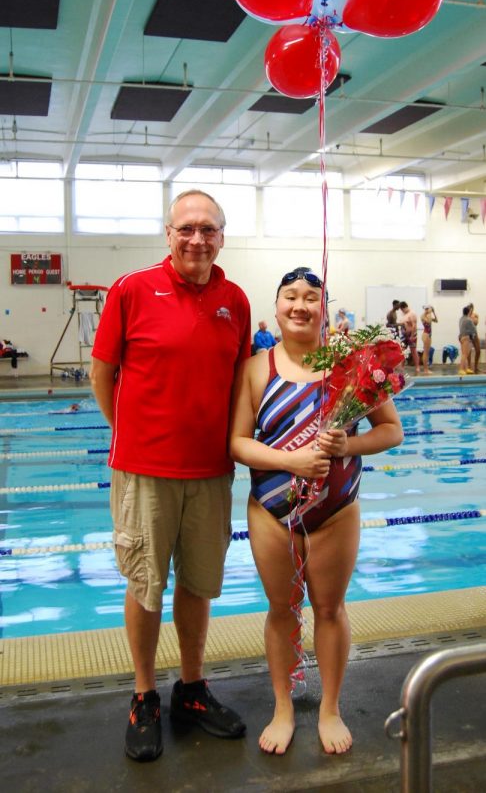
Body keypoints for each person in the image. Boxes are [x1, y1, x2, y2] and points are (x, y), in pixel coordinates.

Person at [90, 189, 251, 762]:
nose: (197, 238)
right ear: (168, 233)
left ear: (221, 238)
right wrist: (132, 435)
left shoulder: (236, 299)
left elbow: (238, 384)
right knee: (145, 583)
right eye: (187, 228)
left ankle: (191, 688)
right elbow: (102, 373)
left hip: (211, 471)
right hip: (145, 472)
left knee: (199, 583)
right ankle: (143, 695)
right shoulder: (131, 290)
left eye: (208, 229)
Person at [229, 267, 403, 757]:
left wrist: (351, 441)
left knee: (328, 609)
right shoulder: (255, 367)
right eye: (291, 297)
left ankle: (329, 707)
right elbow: (238, 443)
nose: (301, 305)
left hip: (336, 508)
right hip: (270, 509)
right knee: (282, 610)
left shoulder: (351, 363)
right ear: (277, 305)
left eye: (311, 297)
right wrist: (292, 461)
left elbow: (392, 430)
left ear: (325, 307)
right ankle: (283, 707)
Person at [398, 302, 420, 372]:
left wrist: (412, 336)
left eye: (402, 309)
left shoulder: (412, 314)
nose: (401, 311)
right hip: (404, 336)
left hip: (411, 335)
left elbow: (414, 325)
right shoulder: (403, 314)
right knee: (403, 351)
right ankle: (402, 366)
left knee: (413, 351)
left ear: (404, 307)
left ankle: (417, 367)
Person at [458, 304, 476, 375]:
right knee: (465, 354)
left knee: (464, 354)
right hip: (466, 338)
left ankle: (465, 369)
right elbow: (474, 330)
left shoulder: (461, 319)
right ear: (468, 312)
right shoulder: (469, 320)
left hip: (461, 337)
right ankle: (461, 369)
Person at [420, 306, 437, 375]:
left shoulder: (428, 315)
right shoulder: (423, 316)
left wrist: (434, 312)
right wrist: (429, 313)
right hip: (426, 335)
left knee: (427, 353)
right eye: (428, 309)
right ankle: (425, 369)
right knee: (426, 353)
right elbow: (429, 321)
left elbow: (436, 320)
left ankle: (426, 369)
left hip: (429, 335)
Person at [468, 303, 480, 373]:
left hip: (474, 333)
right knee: (469, 351)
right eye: (470, 308)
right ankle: (469, 367)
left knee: (478, 350)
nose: (471, 309)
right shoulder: (466, 315)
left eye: (472, 308)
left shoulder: (475, 315)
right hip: (468, 334)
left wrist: (473, 318)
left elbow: (476, 323)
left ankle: (476, 366)